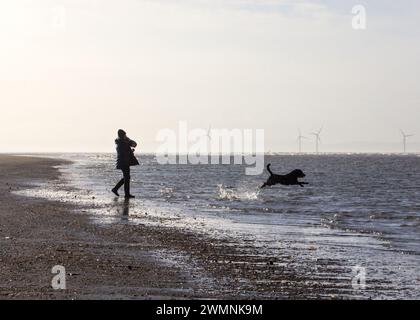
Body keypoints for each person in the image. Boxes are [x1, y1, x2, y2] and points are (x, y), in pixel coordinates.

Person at [112, 129, 139, 198]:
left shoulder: (123, 142)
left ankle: (116, 189)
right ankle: (125, 194)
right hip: (124, 162)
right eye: (125, 135)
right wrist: (131, 151)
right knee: (127, 178)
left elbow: (134, 144)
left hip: (124, 162)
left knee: (126, 177)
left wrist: (129, 141)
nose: (126, 136)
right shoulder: (122, 143)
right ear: (122, 135)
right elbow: (124, 153)